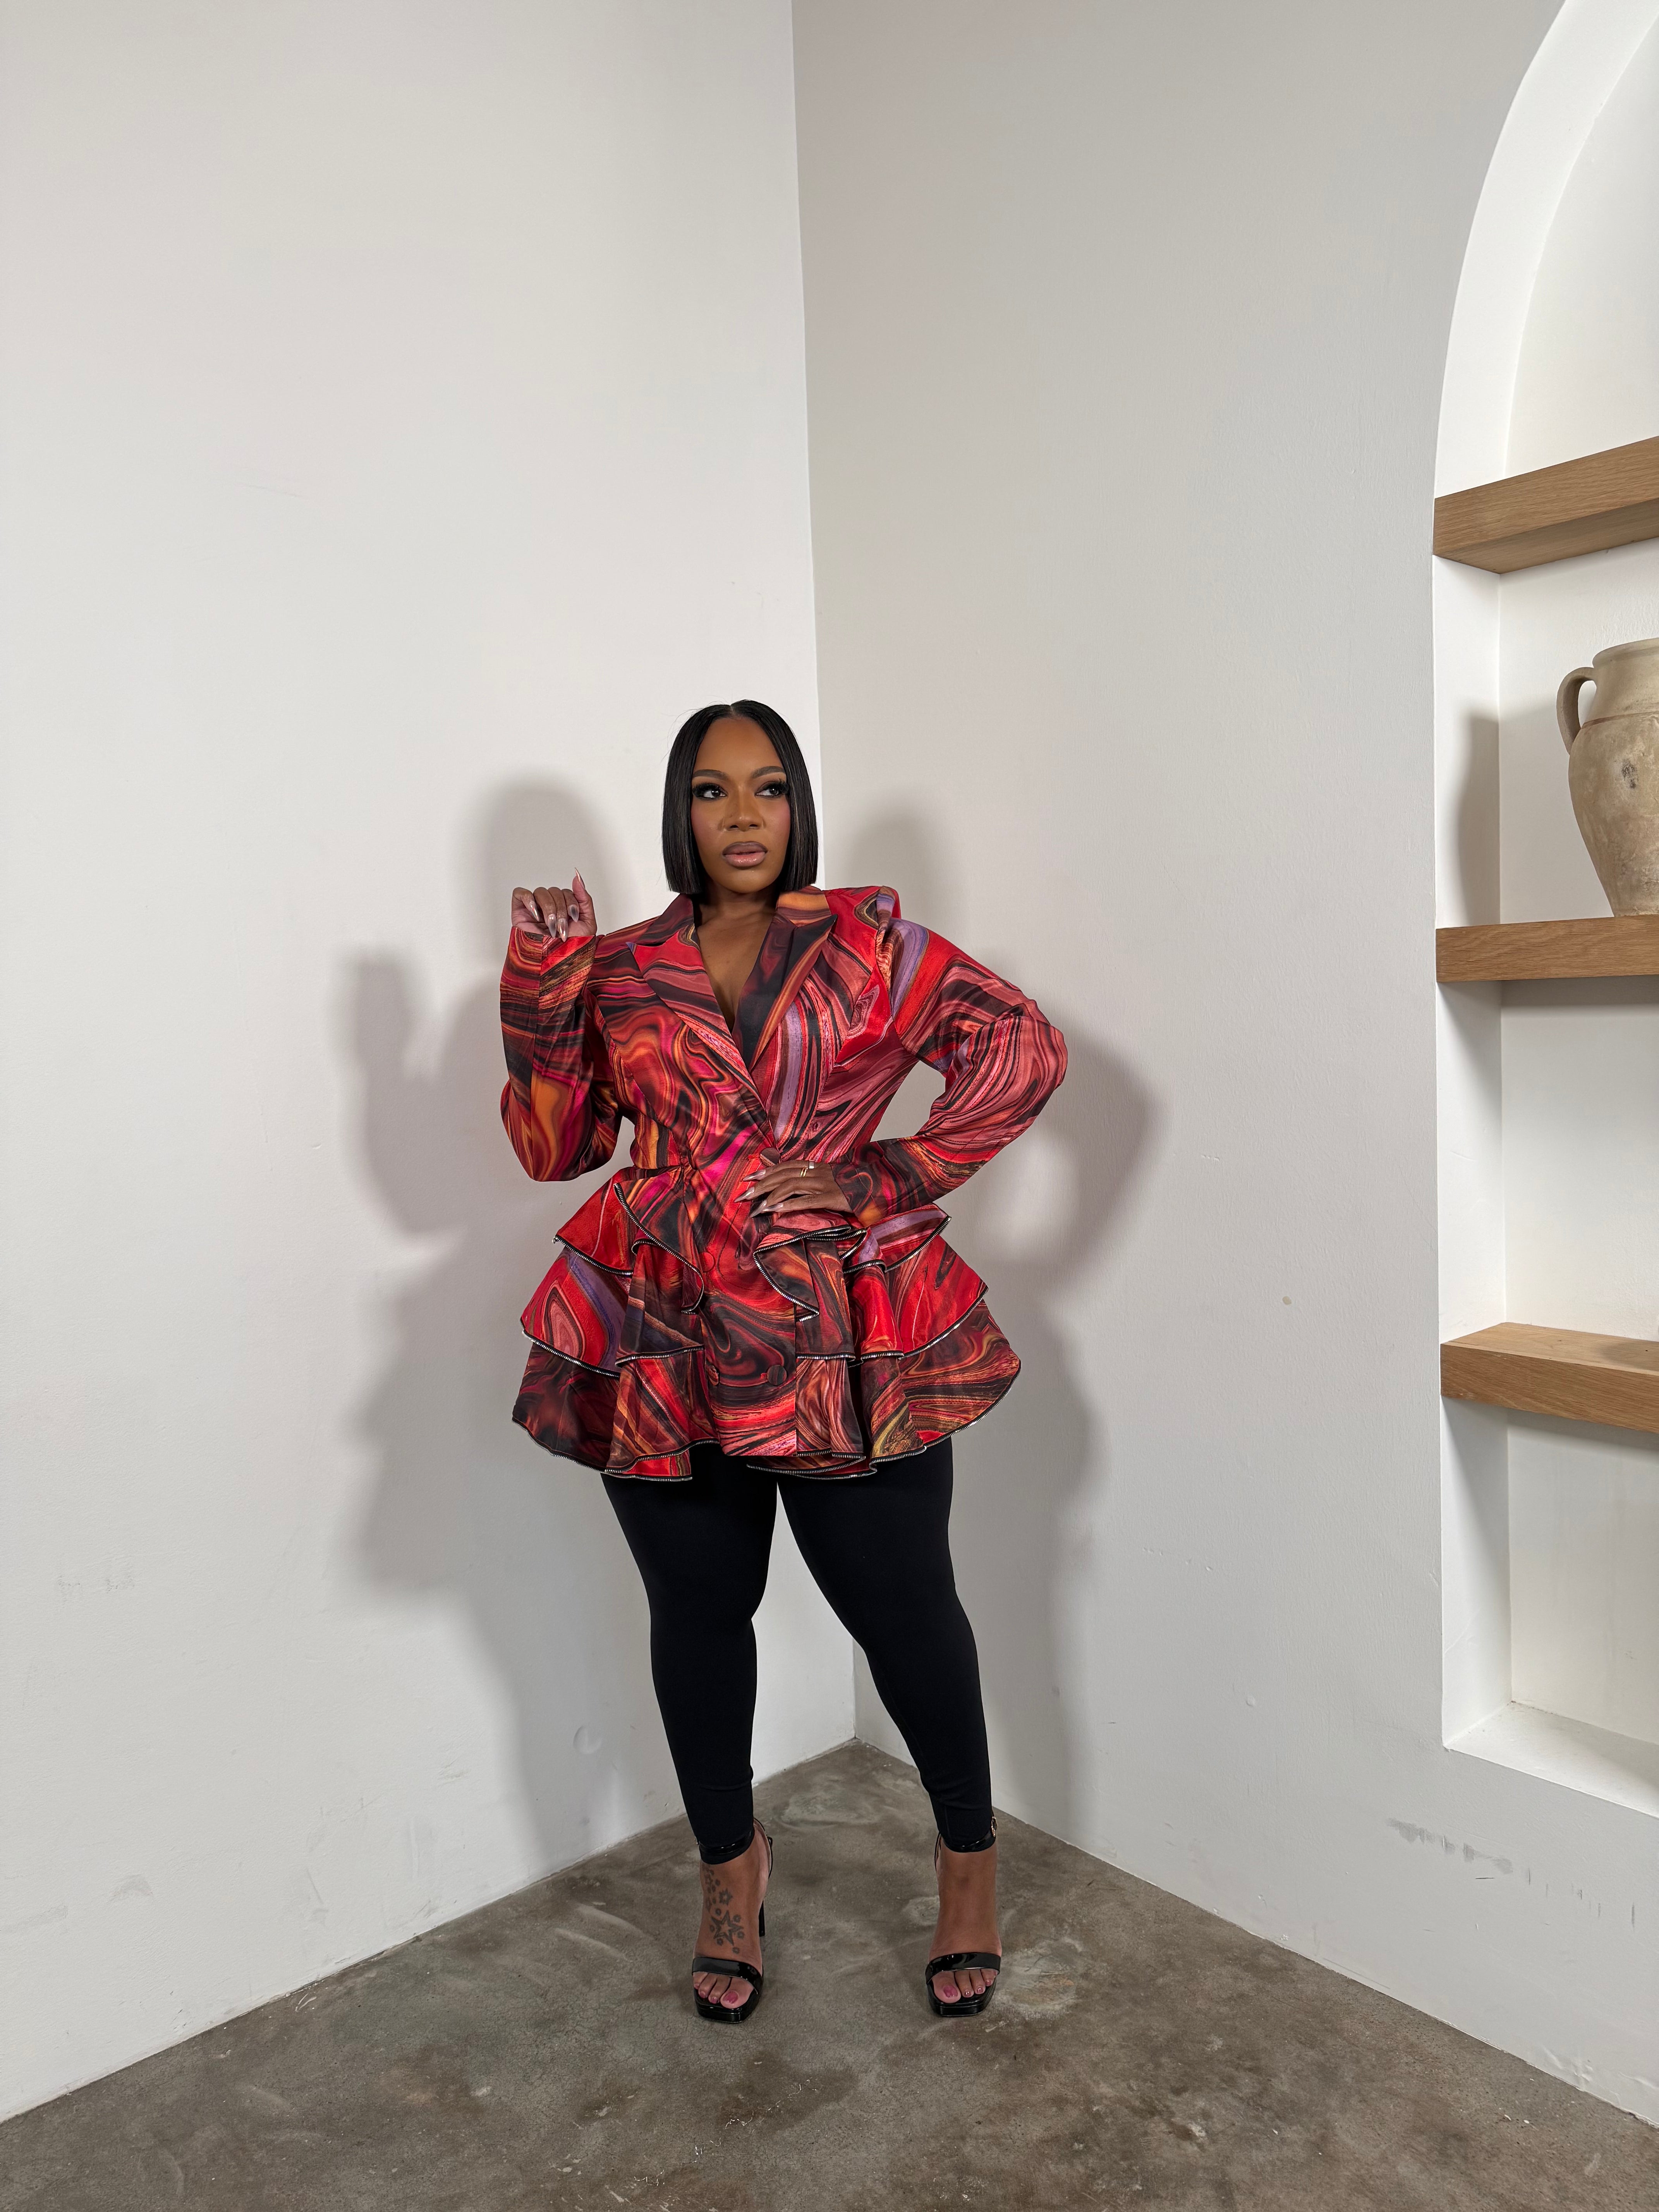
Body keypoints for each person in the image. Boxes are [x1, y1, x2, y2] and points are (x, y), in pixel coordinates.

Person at [499, 700, 1066, 2023]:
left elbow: (1021, 1050)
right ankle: (728, 1872)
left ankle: (967, 1862)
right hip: (668, 1326)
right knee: (696, 1617)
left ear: (799, 805)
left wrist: (888, 1174)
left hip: (838, 1327)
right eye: (711, 791)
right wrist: (541, 988)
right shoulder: (625, 967)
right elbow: (554, 1147)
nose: (742, 815)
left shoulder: (870, 942)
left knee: (904, 1612)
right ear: (680, 812)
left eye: (767, 787)